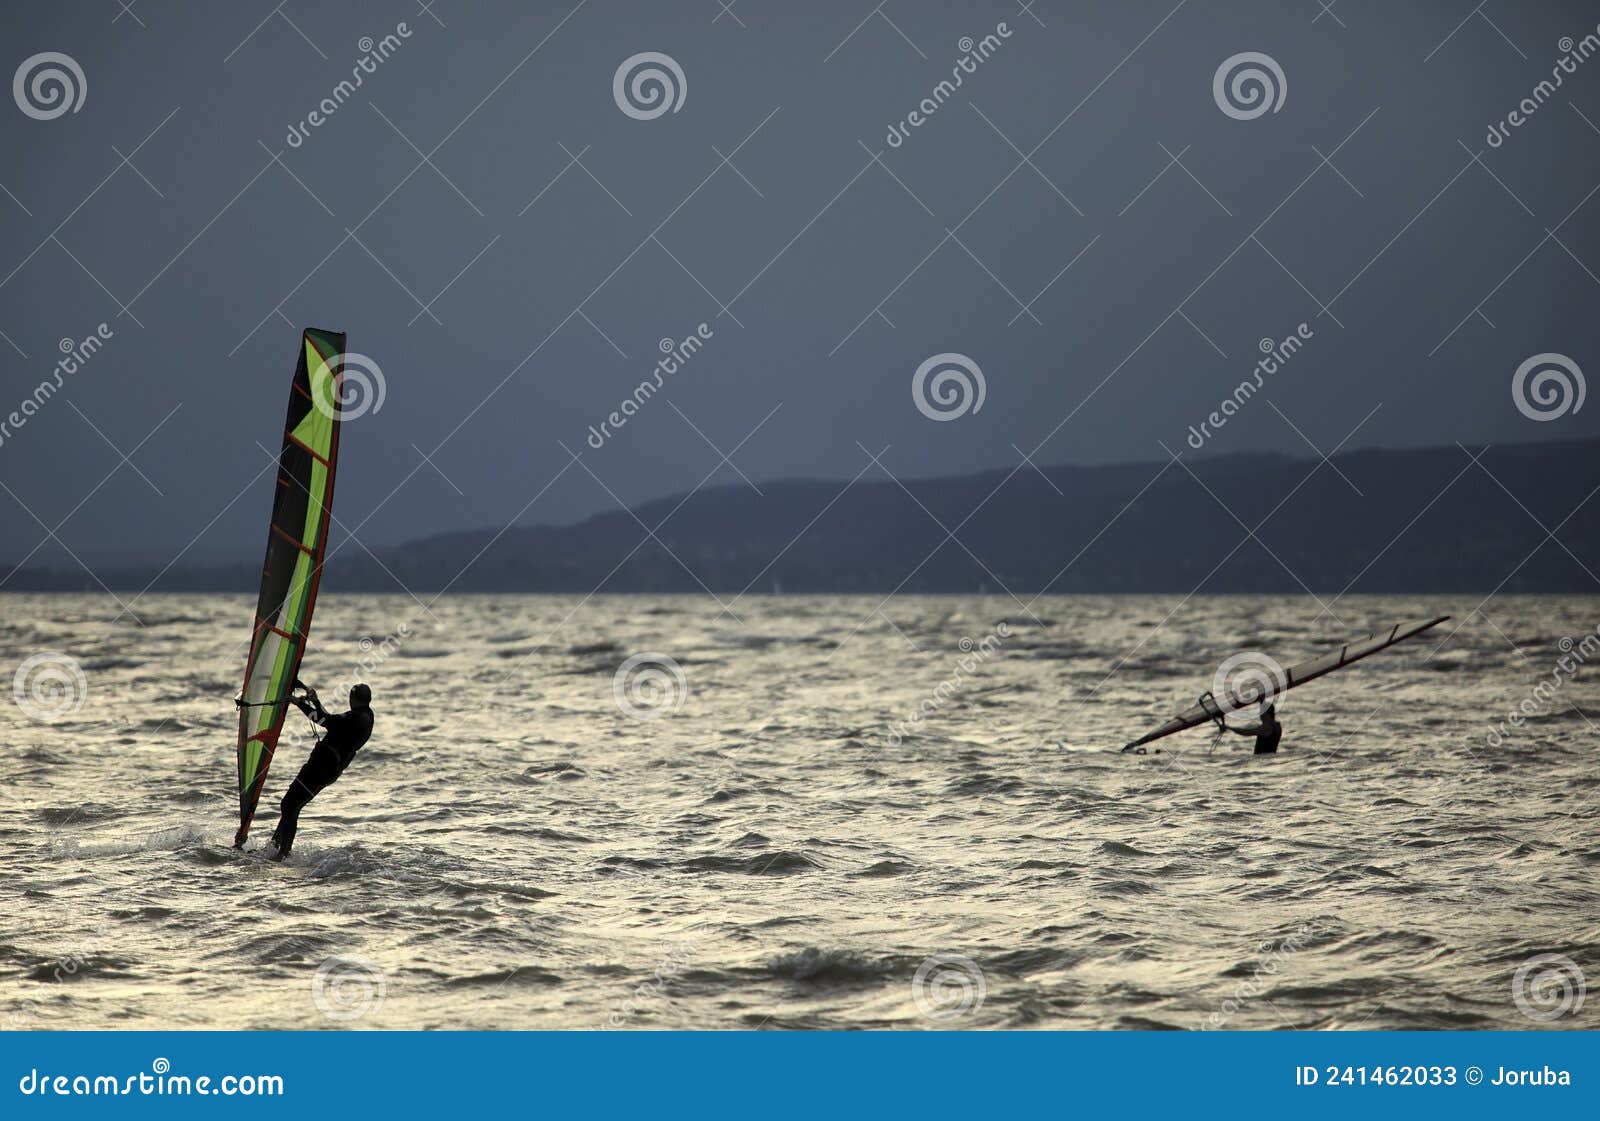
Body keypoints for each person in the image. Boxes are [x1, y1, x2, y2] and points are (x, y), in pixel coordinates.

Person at [267, 682, 375, 860]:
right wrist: (315, 702)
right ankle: (275, 848)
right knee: (292, 806)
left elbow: (323, 720)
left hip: (321, 768)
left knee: (289, 804)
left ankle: (282, 854)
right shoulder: (363, 717)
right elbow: (329, 720)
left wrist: (298, 703)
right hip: (327, 769)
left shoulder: (357, 719)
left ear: (352, 698)